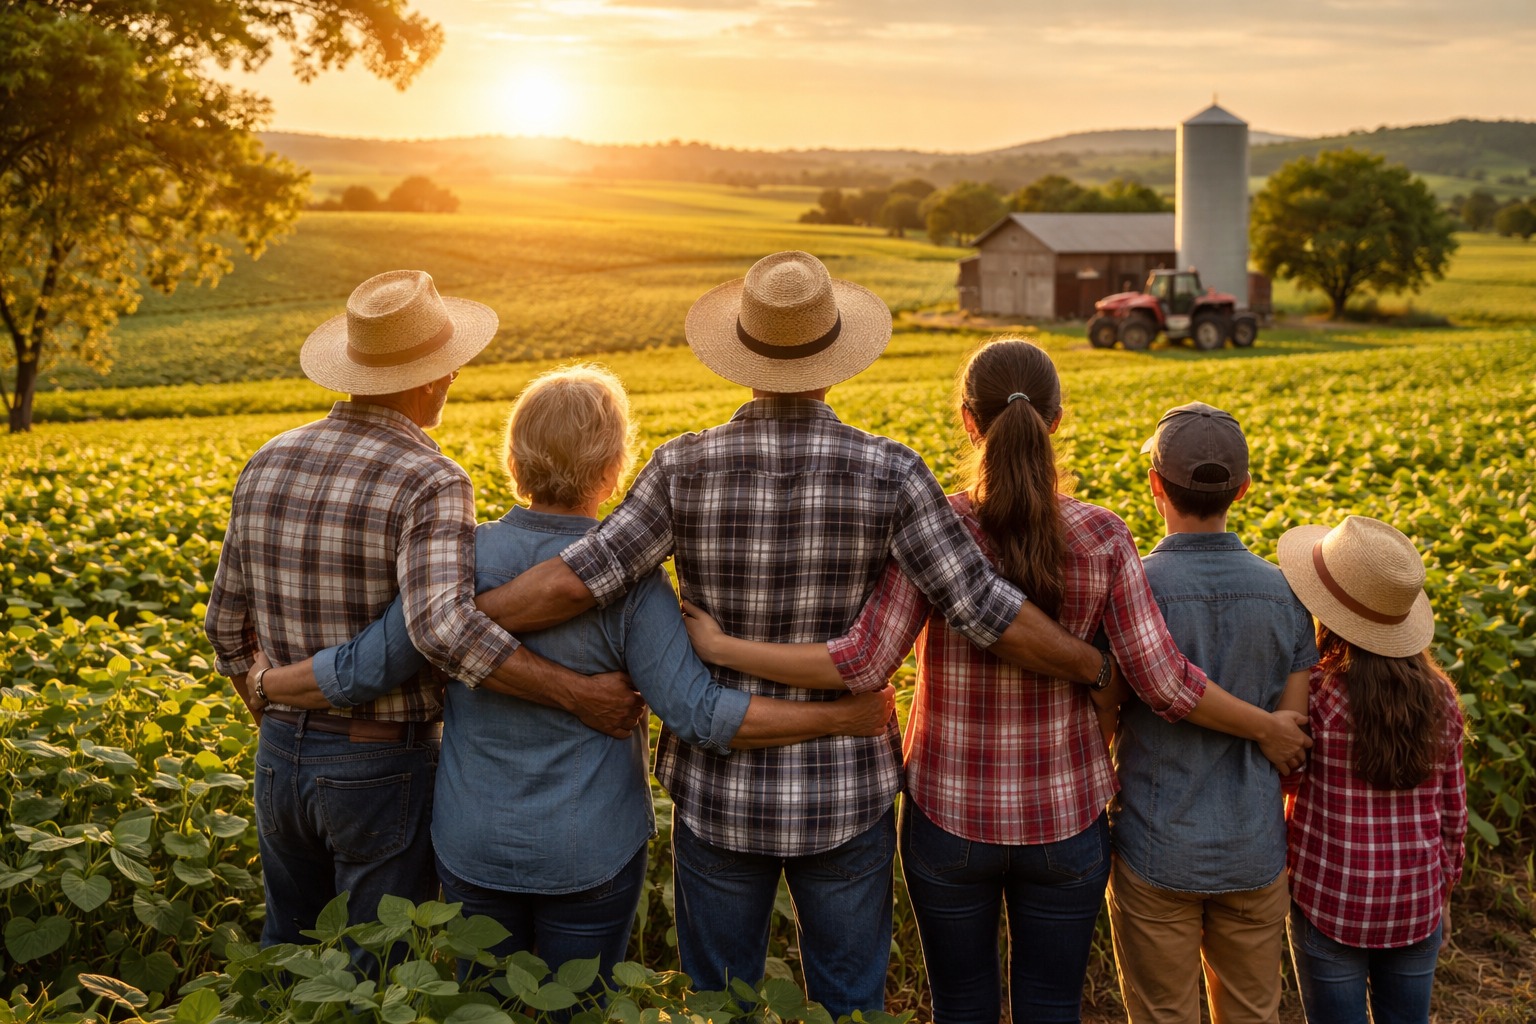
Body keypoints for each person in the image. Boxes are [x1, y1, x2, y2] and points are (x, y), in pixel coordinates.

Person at [467, 253, 1161, 1015]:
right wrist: (1091, 664)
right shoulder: (893, 471)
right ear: (836, 361)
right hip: (846, 793)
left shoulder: (682, 467)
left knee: (720, 999)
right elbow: (983, 610)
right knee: (847, 1001)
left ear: (744, 358)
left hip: (719, 791)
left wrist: (466, 618)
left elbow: (579, 577)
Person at [670, 339, 1315, 1024]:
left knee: (963, 1004)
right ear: (1056, 421)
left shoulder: (936, 523)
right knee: (1049, 1005)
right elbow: (1160, 683)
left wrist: (720, 645)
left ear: (968, 421)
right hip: (1066, 817)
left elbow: (863, 662)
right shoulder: (1102, 535)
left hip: (950, 815)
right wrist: (1260, 724)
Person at [255, 364, 898, 988]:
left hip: (470, 842)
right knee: (581, 1007)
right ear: (615, 465)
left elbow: (382, 659)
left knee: (484, 1006)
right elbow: (698, 714)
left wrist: (271, 688)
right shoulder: (634, 587)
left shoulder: (458, 558)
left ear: (514, 460)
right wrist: (840, 716)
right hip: (588, 848)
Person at [204, 271, 645, 946]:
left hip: (278, 755)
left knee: (285, 958)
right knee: (370, 967)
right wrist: (576, 694)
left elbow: (225, 628)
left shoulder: (269, 458)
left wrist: (272, 704)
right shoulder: (429, 476)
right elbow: (441, 629)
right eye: (448, 366)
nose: (455, 377)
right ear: (427, 378)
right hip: (378, 764)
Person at [1104, 402, 1318, 1024]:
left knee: (1164, 1014)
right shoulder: (1286, 593)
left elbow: (1107, 714)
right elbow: (1290, 740)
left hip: (1156, 845)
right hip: (1253, 849)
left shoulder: (1133, 589)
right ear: (1243, 490)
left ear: (1153, 485)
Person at [1276, 515, 1466, 1024]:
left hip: (1329, 899)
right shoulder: (1441, 697)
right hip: (1415, 901)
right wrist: (1443, 893)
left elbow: (1284, 780)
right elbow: (1454, 814)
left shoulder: (1317, 693)